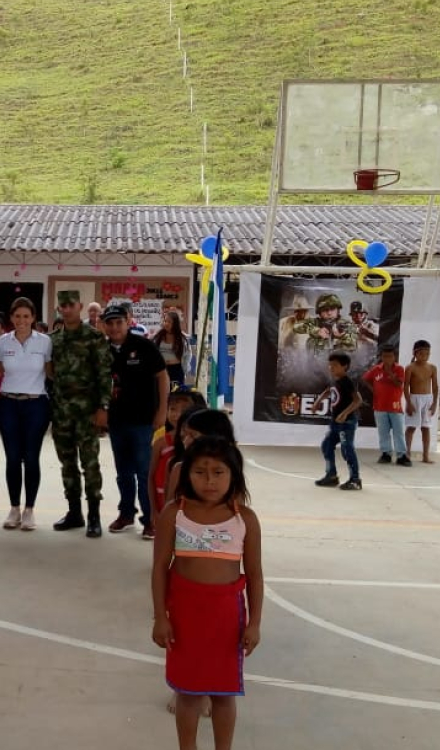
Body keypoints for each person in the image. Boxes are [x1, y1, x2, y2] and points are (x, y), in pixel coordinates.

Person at [152, 437, 264, 750]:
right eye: (200, 472)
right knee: (188, 693)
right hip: (185, 617)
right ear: (187, 474)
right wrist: (160, 616)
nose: (209, 480)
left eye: (218, 472)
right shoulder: (174, 513)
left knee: (223, 694)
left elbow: (254, 575)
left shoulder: (245, 519)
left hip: (227, 620)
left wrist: (254, 623)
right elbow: (160, 568)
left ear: (234, 474)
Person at [49, 290, 113, 537]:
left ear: (80, 306)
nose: (66, 309)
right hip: (62, 412)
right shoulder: (53, 339)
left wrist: (103, 408)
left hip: (87, 413)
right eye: (62, 306)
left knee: (90, 464)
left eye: (71, 305)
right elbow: (50, 373)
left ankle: (94, 516)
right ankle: (74, 512)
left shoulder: (94, 337)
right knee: (67, 464)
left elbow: (104, 375)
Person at [103, 304, 169, 539]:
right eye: (110, 323)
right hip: (116, 421)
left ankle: (150, 519)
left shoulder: (144, 346)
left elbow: (162, 377)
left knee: (144, 472)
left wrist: (162, 411)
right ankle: (126, 513)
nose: (114, 327)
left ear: (128, 322)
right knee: (123, 472)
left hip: (144, 421)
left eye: (119, 322)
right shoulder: (103, 350)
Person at [0, 297, 53, 531]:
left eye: (26, 316)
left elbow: (51, 372)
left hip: (36, 405)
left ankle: (29, 509)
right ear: (11, 318)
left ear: (33, 318)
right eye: (17, 316)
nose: (21, 321)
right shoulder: (3, 341)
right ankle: (14, 508)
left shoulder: (45, 342)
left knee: (31, 457)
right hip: (8, 404)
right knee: (12, 458)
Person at [148, 391, 207, 521]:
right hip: (166, 504)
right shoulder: (161, 443)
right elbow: (151, 476)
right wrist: (153, 511)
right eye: (172, 409)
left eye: (184, 410)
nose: (177, 414)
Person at [313, 351, 363, 490]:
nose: (331, 368)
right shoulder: (335, 380)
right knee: (327, 445)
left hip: (347, 423)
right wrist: (318, 401)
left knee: (347, 449)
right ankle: (331, 476)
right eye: (330, 365)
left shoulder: (347, 381)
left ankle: (355, 480)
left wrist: (345, 414)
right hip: (335, 422)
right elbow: (329, 391)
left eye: (335, 365)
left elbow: (358, 400)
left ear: (344, 366)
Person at [363, 344, 412, 467]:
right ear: (381, 357)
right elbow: (365, 379)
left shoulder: (399, 369)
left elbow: (398, 384)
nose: (387, 359)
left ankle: (401, 455)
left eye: (390, 356)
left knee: (398, 432)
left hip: (395, 406)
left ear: (394, 357)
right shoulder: (376, 369)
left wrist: (389, 372)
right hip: (379, 406)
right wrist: (373, 389)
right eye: (385, 356)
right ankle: (386, 453)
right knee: (383, 432)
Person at [404, 339, 439, 464]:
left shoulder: (432, 368)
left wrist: (434, 404)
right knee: (411, 427)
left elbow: (435, 387)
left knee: (426, 428)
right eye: (421, 354)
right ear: (415, 353)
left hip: (428, 400)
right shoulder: (410, 368)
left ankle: (425, 456)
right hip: (414, 399)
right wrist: (409, 404)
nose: (424, 356)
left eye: (427, 354)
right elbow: (405, 387)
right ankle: (407, 453)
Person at [292, 293, 358, 355]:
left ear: (338, 310)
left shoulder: (346, 324)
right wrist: (317, 331)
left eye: (332, 309)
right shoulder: (316, 322)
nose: (329, 313)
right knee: (311, 341)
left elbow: (353, 345)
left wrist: (341, 336)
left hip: (338, 360)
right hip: (315, 359)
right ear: (319, 312)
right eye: (325, 310)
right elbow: (296, 326)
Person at [152, 310, 193, 390]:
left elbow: (188, 355)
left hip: (176, 370)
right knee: (160, 393)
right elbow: (152, 353)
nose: (166, 324)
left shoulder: (182, 338)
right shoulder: (158, 336)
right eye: (165, 321)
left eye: (169, 322)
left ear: (175, 324)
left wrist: (184, 370)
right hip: (161, 369)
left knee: (175, 395)